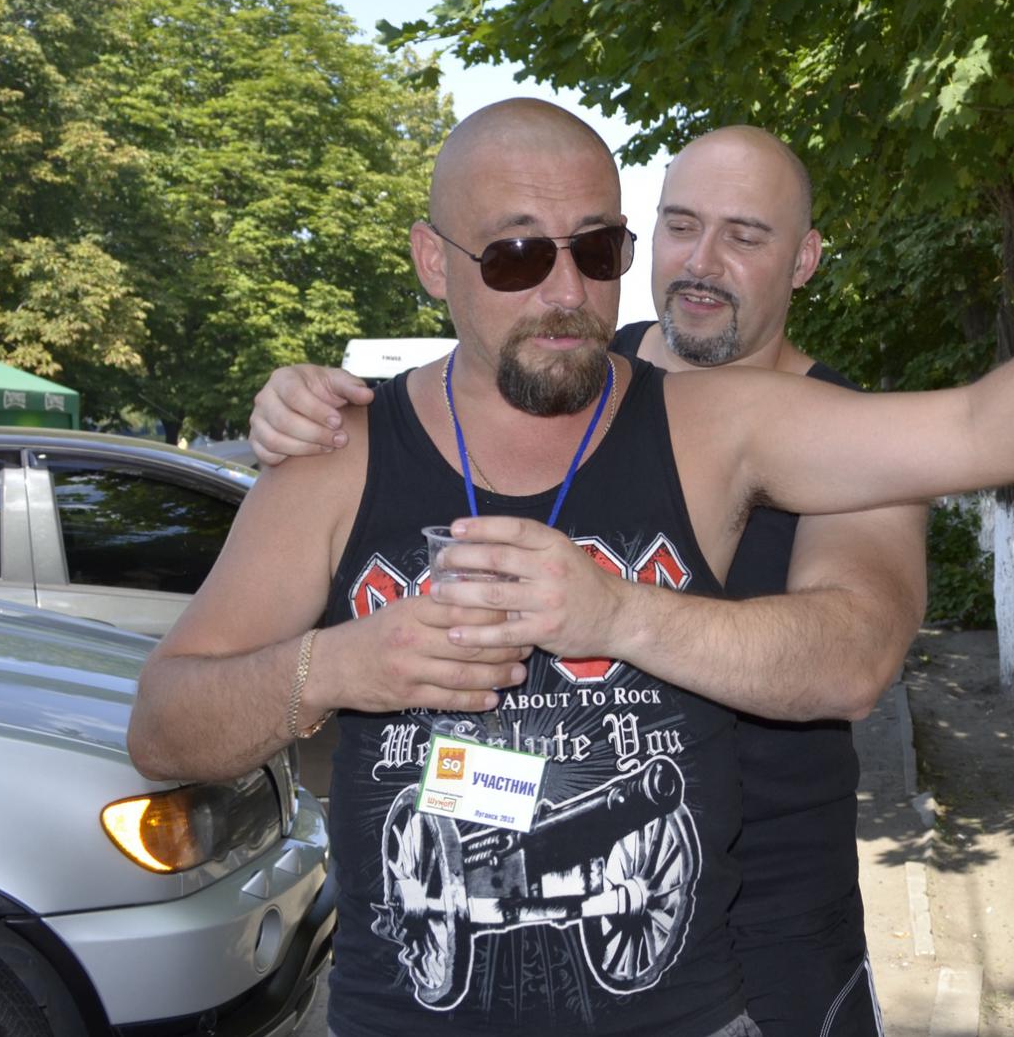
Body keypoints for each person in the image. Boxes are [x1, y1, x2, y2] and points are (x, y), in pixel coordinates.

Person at [128, 100, 1014, 1037]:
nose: (565, 292)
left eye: (596, 250)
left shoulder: (709, 422)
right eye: (517, 256)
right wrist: (343, 665)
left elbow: (979, 428)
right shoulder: (339, 451)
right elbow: (165, 730)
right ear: (433, 263)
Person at [250, 125, 928, 1037]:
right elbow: (446, 401)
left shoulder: (846, 434)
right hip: (536, 885)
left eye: (745, 235)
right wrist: (300, 402)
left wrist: (620, 615)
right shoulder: (575, 376)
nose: (702, 262)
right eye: (679, 226)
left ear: (804, 259)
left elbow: (859, 655)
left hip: (778, 926)